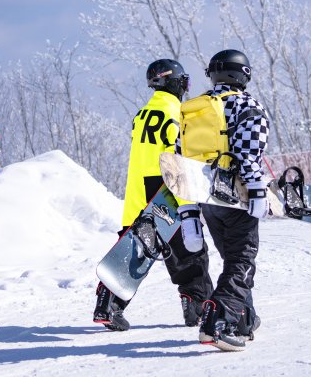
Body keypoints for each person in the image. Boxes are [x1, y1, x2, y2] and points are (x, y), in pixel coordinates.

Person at [93, 59, 214, 331]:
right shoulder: (179, 114)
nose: (186, 88)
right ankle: (195, 305)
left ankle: (107, 302)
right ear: (175, 82)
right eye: (184, 82)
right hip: (166, 189)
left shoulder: (142, 114)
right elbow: (178, 156)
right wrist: (188, 200)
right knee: (190, 252)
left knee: (135, 249)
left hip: (138, 191)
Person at [178, 49, 270, 352]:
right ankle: (216, 322)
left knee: (231, 260)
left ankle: (242, 319)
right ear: (243, 74)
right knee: (242, 260)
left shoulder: (193, 110)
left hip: (205, 198)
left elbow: (181, 158)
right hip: (236, 197)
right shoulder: (246, 104)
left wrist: (189, 211)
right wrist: (257, 188)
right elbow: (247, 153)